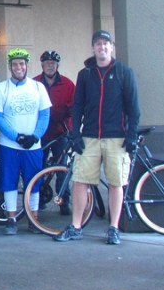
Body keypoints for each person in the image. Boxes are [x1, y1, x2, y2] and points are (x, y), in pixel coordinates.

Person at [55, 30, 140, 245]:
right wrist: (76, 135)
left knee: (115, 183)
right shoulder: (85, 74)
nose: (102, 47)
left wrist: (131, 135)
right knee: (80, 181)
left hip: (116, 137)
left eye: (106, 44)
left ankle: (113, 227)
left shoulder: (124, 72)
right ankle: (76, 226)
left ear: (112, 47)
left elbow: (133, 108)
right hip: (90, 137)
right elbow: (77, 107)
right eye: (98, 44)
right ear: (93, 48)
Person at [0, 48, 51, 235]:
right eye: (15, 64)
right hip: (9, 145)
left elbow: (45, 113)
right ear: (10, 67)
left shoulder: (38, 87)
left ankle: (34, 220)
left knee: (33, 183)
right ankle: (11, 219)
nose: (18, 67)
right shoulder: (1, 88)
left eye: (21, 64)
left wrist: (36, 136)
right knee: (9, 182)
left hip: (33, 145)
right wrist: (16, 136)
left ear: (27, 66)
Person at [34, 50, 75, 214]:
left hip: (61, 132)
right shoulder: (35, 83)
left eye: (53, 63)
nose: (50, 66)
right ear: (42, 65)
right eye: (47, 63)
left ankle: (64, 201)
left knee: (61, 168)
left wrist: (71, 128)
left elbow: (74, 107)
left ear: (57, 65)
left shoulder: (67, 84)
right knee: (39, 166)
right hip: (41, 133)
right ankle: (39, 198)